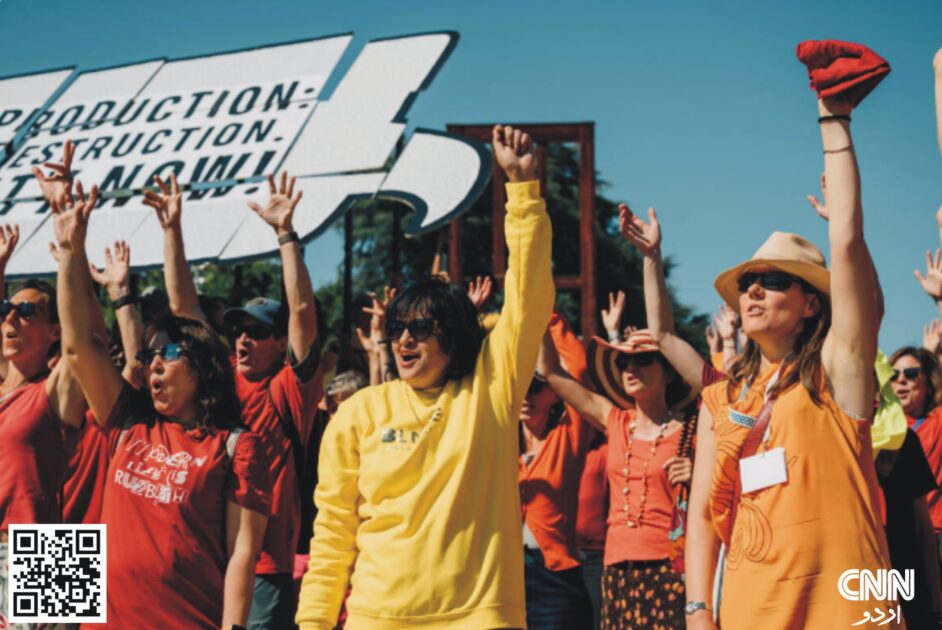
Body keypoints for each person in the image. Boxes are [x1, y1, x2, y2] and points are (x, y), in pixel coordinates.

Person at [296, 124, 554, 628]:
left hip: (478, 616)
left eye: (419, 328)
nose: (403, 340)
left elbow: (528, 298)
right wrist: (313, 623)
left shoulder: (489, 390)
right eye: (396, 329)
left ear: (454, 337)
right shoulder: (360, 412)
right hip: (377, 617)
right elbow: (332, 532)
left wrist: (522, 192)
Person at [684, 92, 894, 629]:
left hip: (852, 605)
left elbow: (845, 243)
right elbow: (703, 518)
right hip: (754, 608)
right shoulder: (720, 398)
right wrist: (697, 610)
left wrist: (834, 124)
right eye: (747, 283)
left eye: (773, 281)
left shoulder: (837, 371)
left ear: (810, 304)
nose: (753, 291)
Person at [52, 182, 273, 629]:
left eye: (26, 313)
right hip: (56, 549)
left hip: (161, 605)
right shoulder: (14, 394)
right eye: (5, 313)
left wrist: (119, 289)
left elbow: (88, 343)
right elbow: (79, 345)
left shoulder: (229, 443)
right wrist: (71, 252)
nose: (11, 321)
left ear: (203, 367)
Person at [149, 170, 323, 629]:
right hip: (199, 549)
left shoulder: (289, 388)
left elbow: (303, 312)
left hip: (264, 564)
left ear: (280, 342)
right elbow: (185, 311)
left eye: (259, 333)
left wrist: (286, 235)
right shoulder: (210, 377)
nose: (244, 340)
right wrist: (172, 232)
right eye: (239, 330)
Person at [539, 326, 693, 629]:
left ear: (669, 373)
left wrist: (699, 476)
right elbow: (552, 371)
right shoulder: (615, 421)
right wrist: (540, 314)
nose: (631, 368)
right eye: (623, 363)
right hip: (616, 569)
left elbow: (729, 488)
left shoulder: (693, 430)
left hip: (671, 568)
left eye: (644, 360)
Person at [518, 313, 593, 629]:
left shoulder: (568, 436)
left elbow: (577, 371)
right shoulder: (497, 441)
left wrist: (544, 310)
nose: (525, 395)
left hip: (556, 580)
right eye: (519, 384)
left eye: (535, 386)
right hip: (503, 578)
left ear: (554, 392)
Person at [888, 347, 942, 559]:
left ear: (928, 384)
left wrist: (934, 352)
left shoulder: (936, 422)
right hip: (895, 538)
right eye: (893, 375)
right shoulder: (879, 428)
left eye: (910, 374)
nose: (901, 380)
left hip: (935, 533)